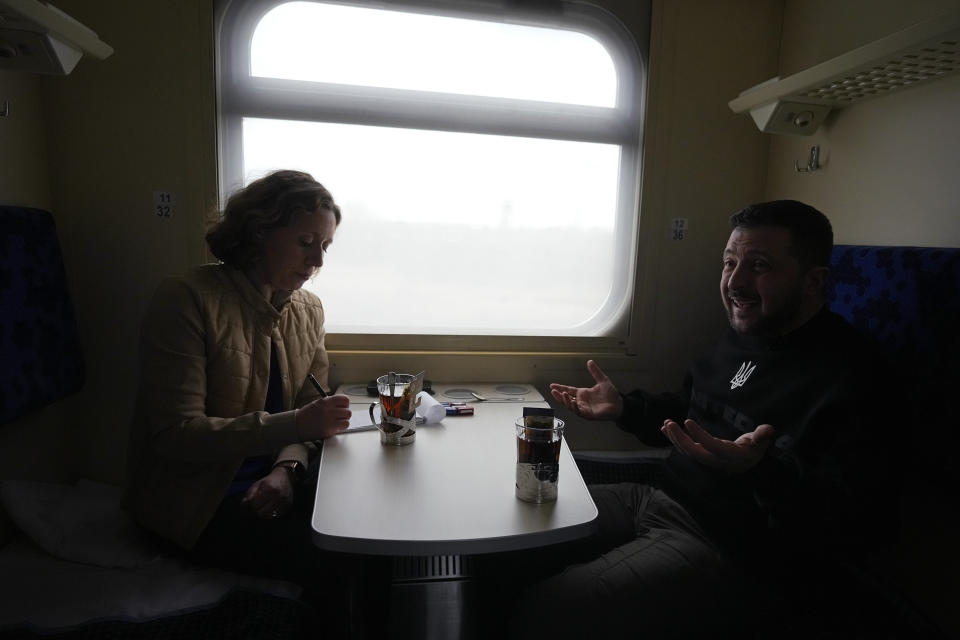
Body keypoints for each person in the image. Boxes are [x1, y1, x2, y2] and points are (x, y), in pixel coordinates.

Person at [510, 200, 893, 638]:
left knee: (549, 609)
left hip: (727, 544)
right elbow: (688, 412)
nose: (735, 282)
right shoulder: (741, 336)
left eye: (759, 265)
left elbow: (862, 519)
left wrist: (761, 472)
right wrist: (624, 408)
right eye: (729, 263)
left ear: (814, 281)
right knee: (514, 533)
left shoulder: (855, 376)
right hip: (655, 495)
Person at [123, 170, 354, 611]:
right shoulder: (187, 299)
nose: (317, 262)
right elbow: (175, 435)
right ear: (258, 231)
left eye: (324, 246)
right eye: (306, 242)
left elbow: (307, 411)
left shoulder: (307, 309)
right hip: (196, 505)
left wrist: (286, 470)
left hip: (273, 483)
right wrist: (298, 424)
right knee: (342, 562)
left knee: (364, 524)